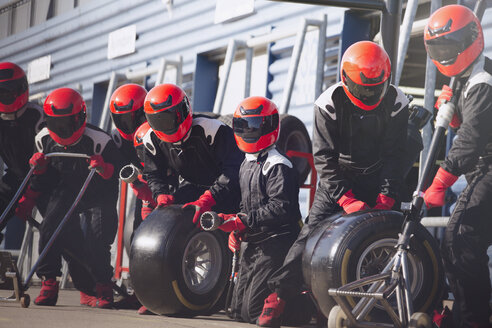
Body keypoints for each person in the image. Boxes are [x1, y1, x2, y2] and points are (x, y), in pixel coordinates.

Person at [258, 41, 409, 327]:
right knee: (310, 235)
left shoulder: (398, 103)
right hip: (338, 178)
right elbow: (324, 159)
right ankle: (278, 296)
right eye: (363, 88)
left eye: (374, 88)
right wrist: (345, 198)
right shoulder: (327, 104)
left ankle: (411, 301)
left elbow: (396, 155)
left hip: (378, 178)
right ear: (346, 79)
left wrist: (388, 195)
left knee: (397, 233)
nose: (368, 93)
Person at [15, 88, 122, 308]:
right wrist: (30, 196)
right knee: (50, 228)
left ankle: (103, 286)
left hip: (97, 193)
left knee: (97, 240)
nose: (63, 130)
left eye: (68, 124)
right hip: (64, 190)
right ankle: (49, 282)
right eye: (57, 124)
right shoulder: (43, 139)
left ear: (81, 117)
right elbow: (43, 179)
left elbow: (114, 177)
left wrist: (104, 168)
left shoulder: (100, 140)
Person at [423, 5, 492, 328]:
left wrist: (440, 182)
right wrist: (451, 109)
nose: (447, 55)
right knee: (464, 241)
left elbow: (472, 140)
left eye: (452, 46)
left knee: (461, 238)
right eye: (441, 49)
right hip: (483, 170)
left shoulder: (482, 80)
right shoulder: (466, 79)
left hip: (488, 168)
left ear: (471, 39)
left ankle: (473, 320)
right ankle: (468, 315)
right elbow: (469, 128)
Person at [214, 96, 301, 324]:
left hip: (276, 241)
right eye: (244, 126)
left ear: (270, 125)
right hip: (253, 241)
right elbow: (246, 204)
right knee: (236, 312)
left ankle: (298, 299)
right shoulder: (247, 162)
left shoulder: (278, 164)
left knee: (253, 313)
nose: (249, 131)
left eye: (255, 126)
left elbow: (281, 208)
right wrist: (237, 230)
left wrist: (243, 221)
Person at [142, 83, 243, 224]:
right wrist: (160, 193)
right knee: (168, 218)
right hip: (194, 188)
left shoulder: (213, 129)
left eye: (168, 119)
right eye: (158, 121)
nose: (165, 126)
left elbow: (235, 170)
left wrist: (209, 198)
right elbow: (153, 173)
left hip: (231, 191)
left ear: (184, 109)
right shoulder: (151, 139)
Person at [0, 62, 44, 247]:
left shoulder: (38, 116)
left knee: (58, 229)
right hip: (16, 178)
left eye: (7, 93)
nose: (5, 97)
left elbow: (49, 160)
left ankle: (55, 275)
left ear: (21, 89)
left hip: (45, 180)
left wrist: (31, 194)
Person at [109, 83, 156, 224]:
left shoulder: (158, 131)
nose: (127, 124)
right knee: (138, 229)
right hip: (143, 186)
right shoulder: (117, 139)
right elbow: (114, 168)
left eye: (130, 118)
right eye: (122, 120)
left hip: (169, 184)